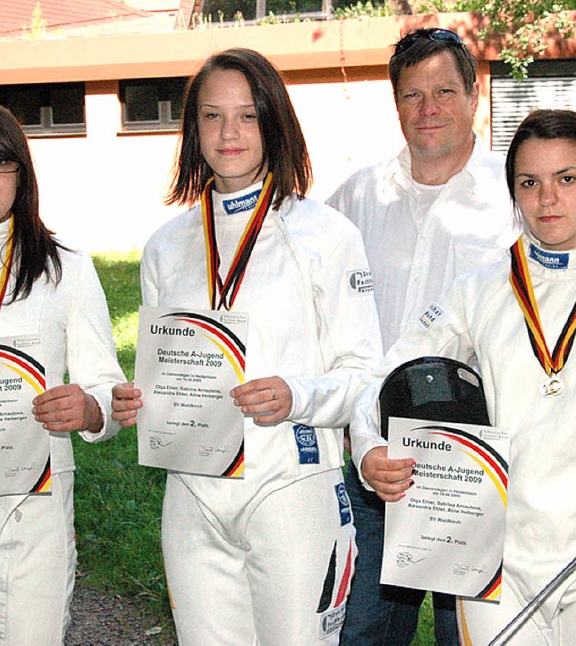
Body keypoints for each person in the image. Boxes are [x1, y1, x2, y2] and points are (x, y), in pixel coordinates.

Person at [111, 47, 383, 644]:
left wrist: (298, 395)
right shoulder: (164, 245)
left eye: (247, 115)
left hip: (291, 488)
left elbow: (366, 373)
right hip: (192, 495)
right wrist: (140, 401)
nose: (228, 132)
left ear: (274, 121)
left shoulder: (328, 235)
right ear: (193, 128)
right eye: (212, 115)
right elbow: (163, 371)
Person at [351, 108, 576, 645]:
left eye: (567, 179)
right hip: (495, 561)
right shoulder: (479, 289)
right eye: (529, 182)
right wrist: (369, 452)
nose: (547, 199)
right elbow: (387, 375)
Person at [326, 27, 518, 645]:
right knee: (364, 635)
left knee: (471, 633)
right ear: (396, 104)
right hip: (374, 455)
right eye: (413, 95)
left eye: (443, 91)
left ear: (474, 97)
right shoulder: (356, 197)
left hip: (477, 463)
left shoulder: (514, 198)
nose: (428, 108)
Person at [0, 98, 125, 644]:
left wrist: (91, 407)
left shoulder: (65, 269)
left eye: (0, 160)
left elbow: (108, 388)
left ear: (21, 174)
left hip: (35, 510)